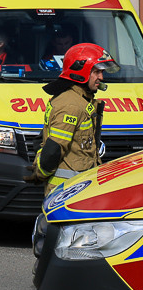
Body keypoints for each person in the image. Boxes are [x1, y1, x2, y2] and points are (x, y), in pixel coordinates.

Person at [24, 43, 119, 195]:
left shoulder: (80, 99)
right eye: (96, 72)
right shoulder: (71, 105)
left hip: (79, 189)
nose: (101, 77)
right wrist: (40, 173)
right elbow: (53, 149)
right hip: (67, 192)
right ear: (80, 72)